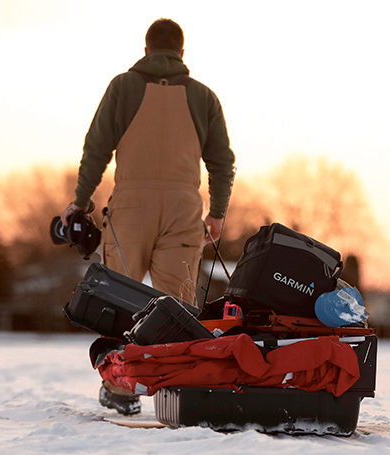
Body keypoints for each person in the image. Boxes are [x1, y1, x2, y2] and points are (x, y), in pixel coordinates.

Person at [63, 18, 235, 415]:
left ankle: (121, 390)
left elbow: (96, 148)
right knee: (178, 309)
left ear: (145, 50)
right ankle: (181, 393)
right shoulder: (204, 96)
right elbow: (222, 162)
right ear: (182, 54)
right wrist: (218, 213)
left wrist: (81, 201)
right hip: (183, 209)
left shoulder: (122, 87)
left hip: (131, 207)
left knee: (116, 299)